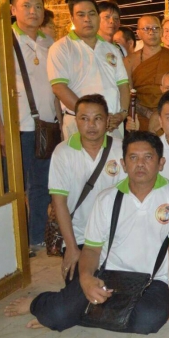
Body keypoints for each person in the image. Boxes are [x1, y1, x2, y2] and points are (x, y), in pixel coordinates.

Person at [4, 131, 169, 332]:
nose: (140, 164)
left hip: (152, 281)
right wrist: (86, 279)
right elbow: (92, 250)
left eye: (148, 157)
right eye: (133, 157)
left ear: (161, 163)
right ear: (124, 163)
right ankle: (40, 303)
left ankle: (75, 313)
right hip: (109, 275)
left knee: (149, 320)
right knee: (56, 315)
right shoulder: (107, 198)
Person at [0, 0, 58, 253]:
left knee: (41, 187)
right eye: (26, 6)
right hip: (16, 127)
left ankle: (36, 238)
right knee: (10, 188)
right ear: (13, 10)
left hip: (47, 127)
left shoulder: (49, 43)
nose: (33, 11)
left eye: (38, 6)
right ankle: (10, 244)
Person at [47, 94, 127, 280]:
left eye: (97, 118)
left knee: (116, 291)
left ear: (107, 120)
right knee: (79, 292)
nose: (91, 125)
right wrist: (72, 248)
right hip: (79, 237)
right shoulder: (63, 152)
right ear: (76, 120)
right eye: (84, 118)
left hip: (115, 237)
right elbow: (59, 203)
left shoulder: (122, 149)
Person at [48, 0, 130, 139]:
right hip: (79, 123)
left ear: (98, 17)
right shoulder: (61, 48)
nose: (87, 19)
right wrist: (94, 117)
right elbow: (59, 88)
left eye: (92, 14)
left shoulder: (111, 49)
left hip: (113, 124)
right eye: (81, 15)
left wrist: (122, 114)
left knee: (114, 161)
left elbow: (123, 85)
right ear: (72, 19)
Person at [124, 15, 169, 131]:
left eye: (155, 28)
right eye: (146, 29)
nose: (151, 32)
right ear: (138, 33)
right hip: (141, 119)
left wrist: (164, 113)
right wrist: (150, 114)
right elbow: (128, 95)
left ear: (161, 32)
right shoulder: (129, 61)